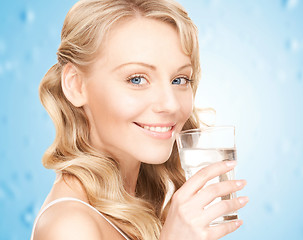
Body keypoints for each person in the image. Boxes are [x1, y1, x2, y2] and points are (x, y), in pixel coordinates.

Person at [31, 0, 249, 239]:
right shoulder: (71, 227)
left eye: (179, 80)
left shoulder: (142, 206)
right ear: (76, 85)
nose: (170, 104)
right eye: (136, 79)